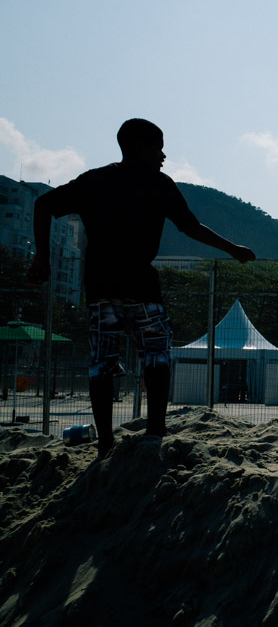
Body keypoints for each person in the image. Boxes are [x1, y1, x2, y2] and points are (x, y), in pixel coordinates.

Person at [28, 118, 255, 458]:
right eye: (158, 146)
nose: (163, 155)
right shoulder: (157, 183)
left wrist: (42, 260)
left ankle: (105, 441)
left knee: (102, 362)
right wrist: (233, 249)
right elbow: (190, 227)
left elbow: (43, 204)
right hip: (141, 286)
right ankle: (155, 430)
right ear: (138, 146)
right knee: (156, 353)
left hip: (101, 287)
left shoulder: (93, 181)